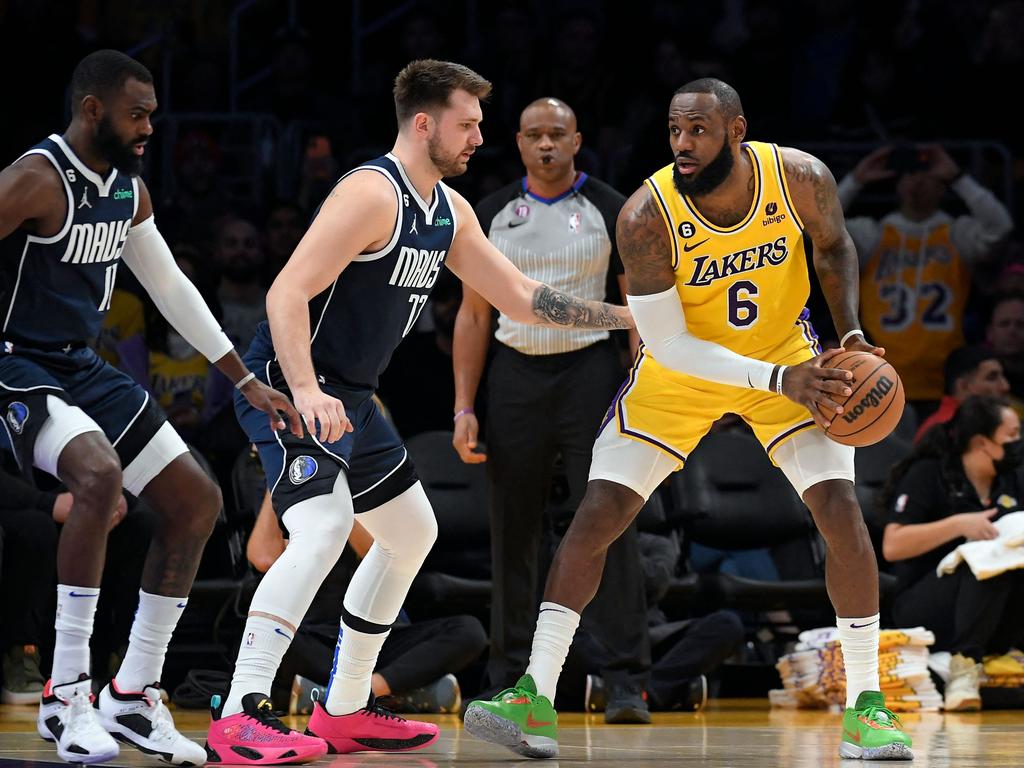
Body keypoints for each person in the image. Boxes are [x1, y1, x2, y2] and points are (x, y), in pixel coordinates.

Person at [465, 78, 913, 761]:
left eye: (698, 130)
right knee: (597, 516)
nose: (682, 144)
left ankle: (865, 708)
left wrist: (849, 333)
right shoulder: (647, 214)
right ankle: (535, 697)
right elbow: (668, 343)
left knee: (841, 512)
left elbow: (833, 246)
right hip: (685, 373)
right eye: (674, 131)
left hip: (786, 355)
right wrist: (777, 379)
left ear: (736, 130)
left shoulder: (798, 178)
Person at [206, 59, 634, 765]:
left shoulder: (449, 210)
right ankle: (240, 709)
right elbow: (286, 294)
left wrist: (629, 314)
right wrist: (307, 391)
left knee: (410, 531)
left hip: (351, 395)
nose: (477, 138)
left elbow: (523, 299)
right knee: (323, 528)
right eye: (468, 124)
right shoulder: (372, 194)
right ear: (425, 122)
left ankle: (342, 709)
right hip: (289, 381)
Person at [0, 50, 298, 765]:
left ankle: (132, 695)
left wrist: (244, 378)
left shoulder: (127, 191)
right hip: (16, 365)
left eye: (154, 114)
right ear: (93, 110)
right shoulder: (35, 178)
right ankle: (64, 693)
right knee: (97, 479)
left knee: (195, 499)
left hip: (79, 363)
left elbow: (170, 289)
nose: (150, 128)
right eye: (138, 114)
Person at [451, 97, 650, 723]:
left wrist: (642, 387)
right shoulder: (491, 213)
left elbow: (636, 310)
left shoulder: (613, 208)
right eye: (534, 135)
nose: (545, 145)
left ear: (576, 140)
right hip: (515, 374)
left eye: (556, 134)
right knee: (513, 525)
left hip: (592, 372)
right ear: (517, 143)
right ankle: (508, 675)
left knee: (610, 519)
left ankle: (625, 681)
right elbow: (475, 314)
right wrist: (463, 406)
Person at [244, 492, 487, 715]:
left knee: (468, 631)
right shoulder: (292, 486)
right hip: (318, 637)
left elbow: (376, 549)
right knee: (272, 639)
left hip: (375, 637)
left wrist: (340, 488)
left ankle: (355, 694)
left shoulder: (364, 483)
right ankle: (396, 695)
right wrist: (276, 473)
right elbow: (263, 558)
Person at [838, 144, 1013, 412]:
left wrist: (958, 177)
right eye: (909, 174)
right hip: (880, 376)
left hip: (946, 379)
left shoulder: (956, 234)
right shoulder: (874, 235)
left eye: (927, 173)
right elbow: (819, 226)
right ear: (898, 185)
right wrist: (857, 179)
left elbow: (1000, 228)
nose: (917, 181)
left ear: (942, 185)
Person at [882, 395, 1024, 711]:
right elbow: (892, 546)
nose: (1019, 442)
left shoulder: (1013, 479)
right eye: (1012, 435)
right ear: (982, 443)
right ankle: (964, 667)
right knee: (985, 561)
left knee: (1007, 563)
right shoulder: (929, 474)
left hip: (994, 613)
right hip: (926, 607)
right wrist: (959, 525)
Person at [915, 346, 1010, 442]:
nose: (1005, 386)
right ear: (963, 386)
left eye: (1003, 377)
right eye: (992, 378)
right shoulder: (947, 428)